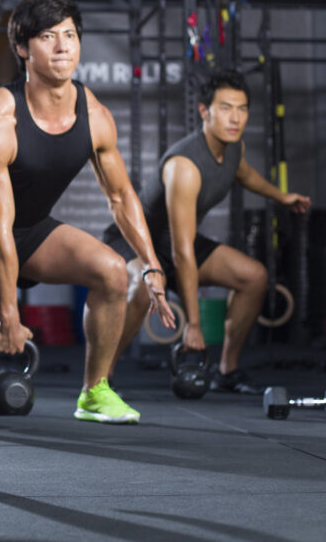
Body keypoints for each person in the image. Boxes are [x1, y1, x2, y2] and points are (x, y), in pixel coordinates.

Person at [0, 0, 175, 428]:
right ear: (22, 48)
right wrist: (8, 318)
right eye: (49, 37)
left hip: (29, 228)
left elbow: (122, 196)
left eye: (70, 35)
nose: (63, 47)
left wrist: (151, 264)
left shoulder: (96, 116)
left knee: (111, 271)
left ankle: (96, 391)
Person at [102, 70, 311, 394]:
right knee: (144, 287)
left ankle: (227, 370)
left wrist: (281, 197)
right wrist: (194, 327)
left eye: (242, 109)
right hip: (137, 240)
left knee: (254, 277)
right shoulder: (184, 167)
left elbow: (246, 175)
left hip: (174, 239)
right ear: (204, 111)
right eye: (226, 108)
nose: (235, 118)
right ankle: (101, 378)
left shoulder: (232, 149)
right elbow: (182, 253)